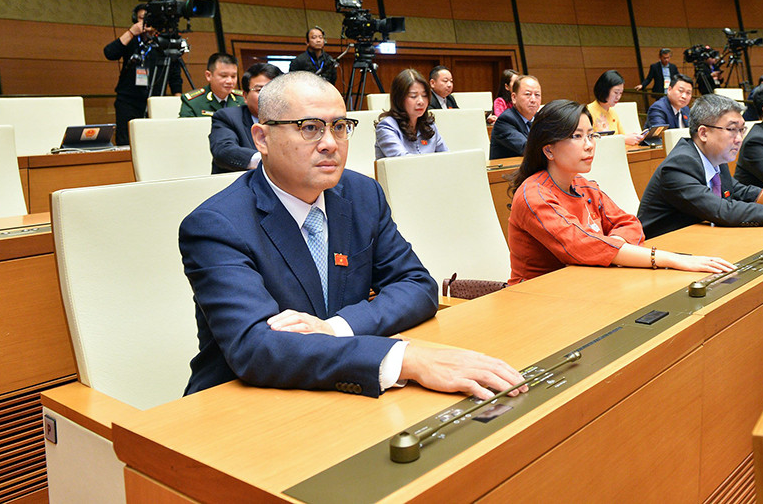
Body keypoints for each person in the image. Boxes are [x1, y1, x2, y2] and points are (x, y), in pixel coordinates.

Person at [180, 71, 526, 399]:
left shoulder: (361, 194)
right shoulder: (217, 225)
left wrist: (337, 328)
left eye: (340, 127)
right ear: (262, 138)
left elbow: (417, 285)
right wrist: (402, 358)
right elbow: (255, 348)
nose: (330, 144)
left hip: (342, 389)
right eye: (310, 128)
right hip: (240, 400)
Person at [507, 100, 733, 284]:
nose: (589, 145)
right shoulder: (534, 195)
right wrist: (673, 259)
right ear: (548, 150)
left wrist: (610, 245)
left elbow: (631, 224)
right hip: (537, 296)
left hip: (587, 285)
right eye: (577, 136)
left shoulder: (584, 185)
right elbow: (580, 246)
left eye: (591, 135)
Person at [636, 94, 763, 239]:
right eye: (732, 130)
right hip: (665, 247)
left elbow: (737, 191)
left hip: (702, 238)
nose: (739, 138)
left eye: (742, 130)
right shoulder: (679, 165)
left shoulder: (715, 157)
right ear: (703, 133)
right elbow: (722, 210)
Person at [103, 3, 183, 145]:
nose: (147, 22)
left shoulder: (165, 42)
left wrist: (178, 100)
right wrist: (131, 32)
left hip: (156, 101)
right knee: (127, 142)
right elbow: (110, 53)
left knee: (156, 143)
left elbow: (175, 74)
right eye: (142, 18)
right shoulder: (131, 39)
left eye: (150, 18)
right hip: (128, 101)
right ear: (135, 20)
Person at [209, 63, 282, 174]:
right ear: (245, 96)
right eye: (260, 90)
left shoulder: (294, 118)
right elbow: (223, 151)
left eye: (274, 90)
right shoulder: (227, 117)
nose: (268, 96)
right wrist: (266, 161)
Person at [375, 68, 448, 158]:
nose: (421, 101)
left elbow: (446, 157)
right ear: (399, 98)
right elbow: (404, 161)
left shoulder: (429, 125)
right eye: (413, 96)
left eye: (424, 95)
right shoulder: (387, 126)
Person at [490, 75, 542, 160]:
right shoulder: (505, 120)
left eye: (537, 95)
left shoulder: (541, 118)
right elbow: (526, 148)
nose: (533, 100)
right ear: (514, 97)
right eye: (528, 94)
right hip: (509, 168)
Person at [586, 70, 645, 145]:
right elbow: (589, 140)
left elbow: (622, 135)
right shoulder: (588, 112)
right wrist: (623, 139)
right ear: (604, 90)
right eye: (616, 92)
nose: (618, 97)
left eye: (620, 93)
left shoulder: (612, 111)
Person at [180, 53, 244, 117]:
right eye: (224, 76)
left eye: (233, 76)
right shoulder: (193, 102)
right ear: (208, 76)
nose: (230, 81)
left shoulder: (243, 100)